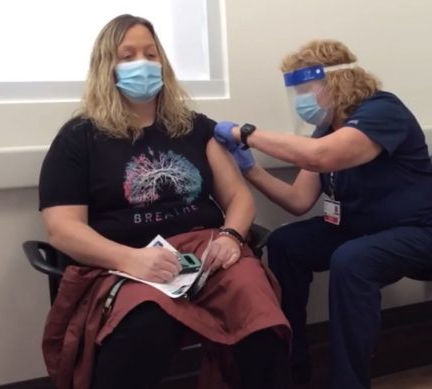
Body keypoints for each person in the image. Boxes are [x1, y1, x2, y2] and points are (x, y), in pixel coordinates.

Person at [38, 14, 291, 389]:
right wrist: (132, 259)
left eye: (150, 54)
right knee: (144, 328)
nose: (142, 63)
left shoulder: (193, 126)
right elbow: (62, 229)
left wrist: (231, 237)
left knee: (259, 316)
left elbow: (238, 198)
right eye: (127, 56)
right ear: (107, 67)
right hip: (125, 263)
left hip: (205, 255)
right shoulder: (79, 138)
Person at [214, 40, 432, 389]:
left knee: (352, 260)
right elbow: (299, 200)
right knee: (287, 243)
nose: (300, 99)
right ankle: (290, 370)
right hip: (364, 228)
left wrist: (246, 134)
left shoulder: (384, 111)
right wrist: (251, 170)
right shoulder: (326, 129)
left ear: (335, 82)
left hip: (429, 229)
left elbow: (319, 156)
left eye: (305, 89)